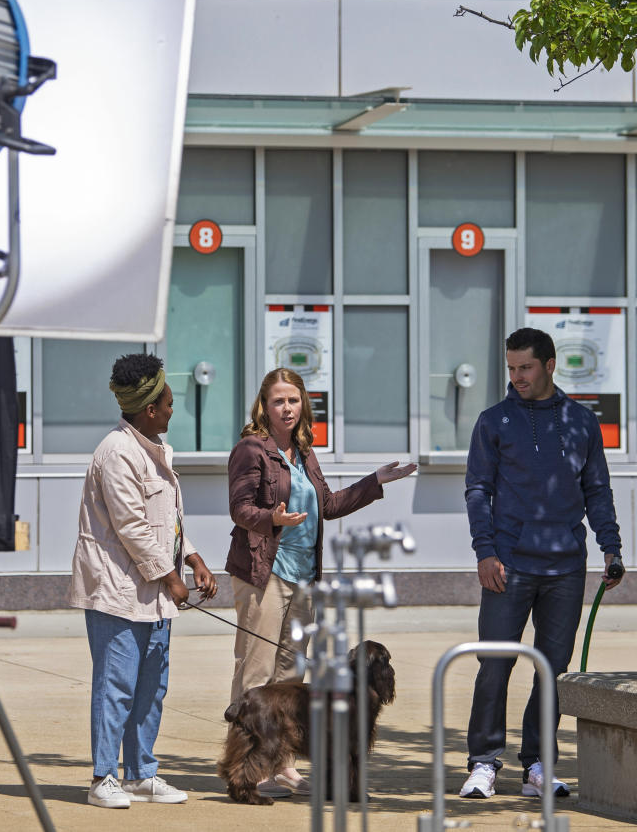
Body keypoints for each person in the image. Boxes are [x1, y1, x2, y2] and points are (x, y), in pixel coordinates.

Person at [225, 367, 416, 797]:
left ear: (302, 405)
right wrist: (271, 517)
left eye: (293, 400)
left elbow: (326, 505)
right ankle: (244, 767)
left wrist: (375, 482)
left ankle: (280, 761)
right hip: (263, 571)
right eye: (278, 400)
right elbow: (239, 508)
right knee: (256, 672)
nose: (287, 408)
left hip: (303, 575)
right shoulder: (251, 449)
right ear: (264, 405)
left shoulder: (304, 451)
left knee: (291, 675)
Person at [459, 327, 625, 800]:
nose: (517, 377)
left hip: (566, 567)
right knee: (494, 665)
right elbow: (477, 490)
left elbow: (597, 489)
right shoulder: (494, 421)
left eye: (525, 367)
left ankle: (536, 765)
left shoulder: (581, 422)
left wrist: (610, 547)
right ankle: (483, 763)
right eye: (511, 368)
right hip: (508, 564)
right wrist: (485, 552)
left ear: (550, 365)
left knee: (552, 669)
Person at [68, 353, 217, 809]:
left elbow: (163, 522)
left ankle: (141, 774)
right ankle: (103, 778)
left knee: (152, 686)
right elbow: (131, 527)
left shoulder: (153, 449)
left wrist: (192, 555)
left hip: (153, 595)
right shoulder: (116, 453)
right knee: (116, 686)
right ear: (150, 409)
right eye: (169, 403)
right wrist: (171, 577)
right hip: (117, 592)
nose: (174, 409)